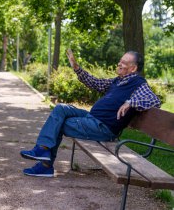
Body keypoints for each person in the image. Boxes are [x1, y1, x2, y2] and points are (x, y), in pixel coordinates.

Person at [20, 50, 161, 177]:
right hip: (92, 119)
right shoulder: (117, 81)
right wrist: (76, 68)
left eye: (123, 63)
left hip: (103, 128)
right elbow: (95, 83)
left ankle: (45, 164)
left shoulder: (138, 83)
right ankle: (43, 150)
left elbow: (154, 100)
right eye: (120, 60)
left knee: (59, 123)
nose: (118, 64)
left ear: (133, 68)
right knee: (60, 109)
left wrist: (131, 102)